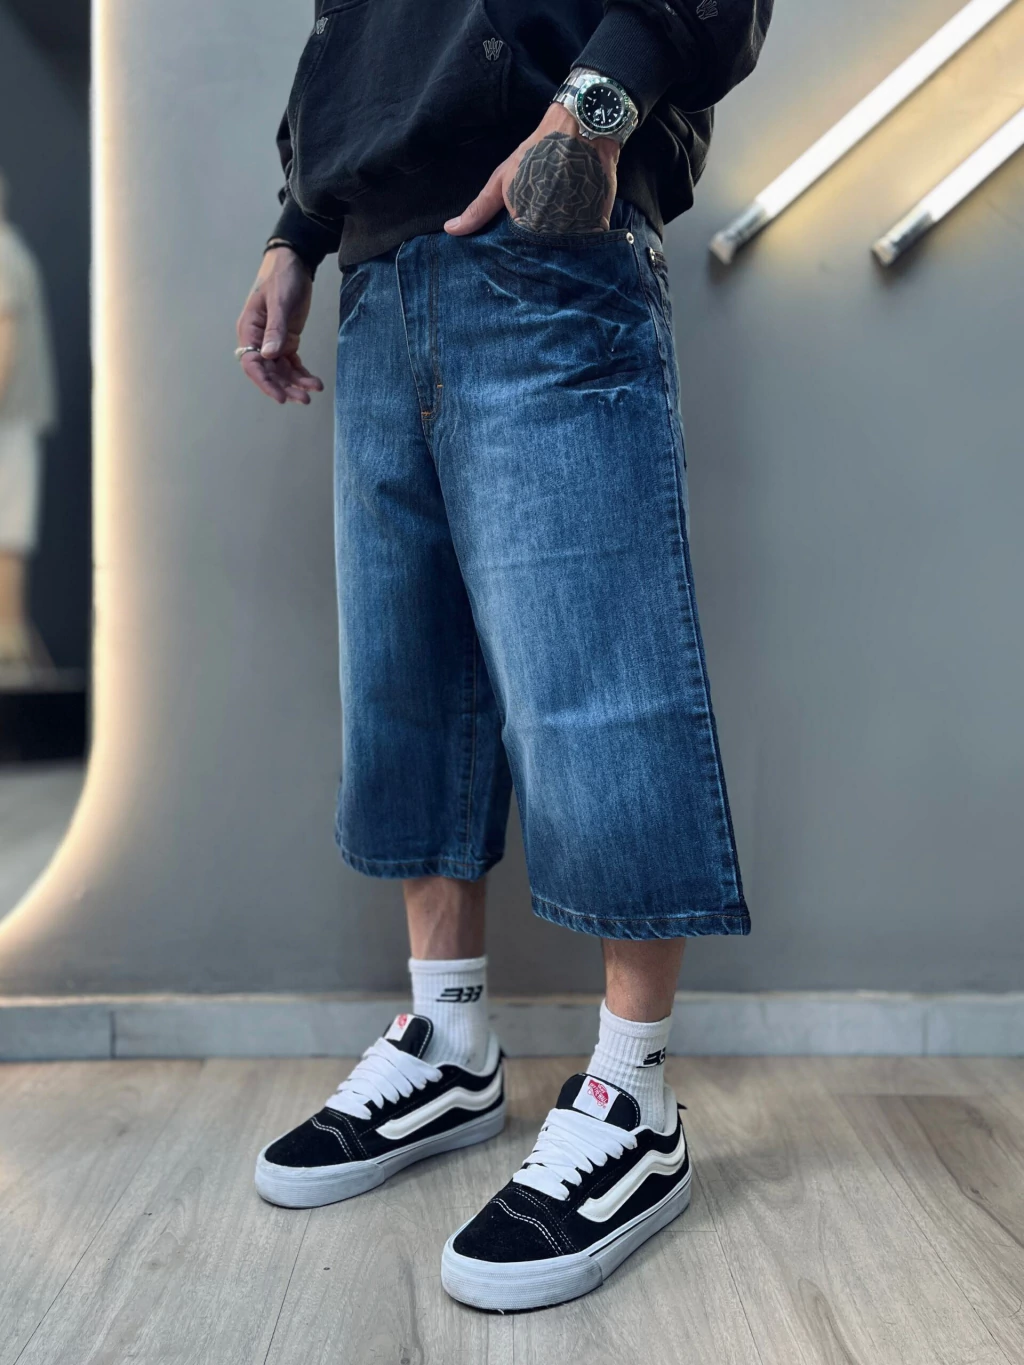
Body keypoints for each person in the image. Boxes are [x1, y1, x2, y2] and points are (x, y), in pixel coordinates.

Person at [238, 0, 772, 1311]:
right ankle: (449, 1039)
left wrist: (590, 112)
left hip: (549, 229)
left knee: (598, 678)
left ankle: (634, 1100)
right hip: (380, 266)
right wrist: (298, 226)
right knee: (407, 684)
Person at [0, 172, 57, 675]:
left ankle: (11, 647)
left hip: (8, 421)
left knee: (8, 535)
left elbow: (5, 342)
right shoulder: (13, 250)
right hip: (15, 420)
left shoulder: (2, 255)